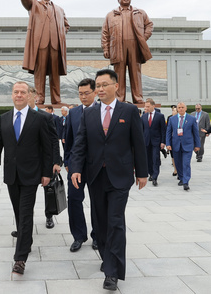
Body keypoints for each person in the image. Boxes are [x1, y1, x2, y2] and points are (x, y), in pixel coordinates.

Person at [70, 69, 148, 291]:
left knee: (115, 222)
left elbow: (138, 144)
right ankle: (107, 256)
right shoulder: (88, 113)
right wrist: (76, 168)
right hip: (95, 176)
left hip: (120, 177)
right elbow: (80, 144)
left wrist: (142, 172)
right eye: (98, 85)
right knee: (100, 222)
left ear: (116, 86)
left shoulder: (129, 111)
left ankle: (112, 272)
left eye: (104, 84)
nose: (100, 89)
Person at [0, 81, 52, 275]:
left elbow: (47, 149)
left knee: (25, 214)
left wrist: (46, 173)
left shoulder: (39, 119)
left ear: (29, 95)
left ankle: (20, 258)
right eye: (16, 92)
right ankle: (27, 239)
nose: (20, 95)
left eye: (23, 92)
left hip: (32, 175)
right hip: (12, 176)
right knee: (19, 213)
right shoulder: (4, 119)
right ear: (12, 95)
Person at [16, 0, 70, 105]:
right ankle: (39, 98)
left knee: (55, 74)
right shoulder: (34, 4)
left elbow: (66, 25)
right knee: (39, 73)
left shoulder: (59, 9)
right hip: (40, 44)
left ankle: (56, 99)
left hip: (55, 45)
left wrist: (61, 34)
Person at [101, 0, 153, 104]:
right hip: (117, 47)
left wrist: (143, 38)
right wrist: (106, 48)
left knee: (136, 73)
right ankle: (119, 98)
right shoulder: (110, 15)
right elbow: (105, 33)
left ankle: (138, 98)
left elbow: (149, 25)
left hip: (135, 47)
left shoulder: (140, 13)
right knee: (118, 74)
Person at [64, 78, 98, 252]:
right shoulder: (74, 113)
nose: (83, 97)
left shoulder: (102, 111)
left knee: (97, 202)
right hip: (76, 166)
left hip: (97, 166)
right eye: (80, 94)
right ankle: (78, 236)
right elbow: (68, 139)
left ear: (94, 93)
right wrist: (67, 161)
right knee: (74, 200)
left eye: (86, 93)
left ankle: (97, 236)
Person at [28, 87, 62, 230]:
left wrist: (56, 161)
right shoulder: (16, 116)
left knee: (48, 190)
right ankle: (25, 224)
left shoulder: (45, 116)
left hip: (45, 161)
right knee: (26, 197)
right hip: (27, 163)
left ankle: (49, 215)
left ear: (35, 97)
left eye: (27, 94)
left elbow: (54, 140)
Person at [166, 102, 200, 191]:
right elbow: (169, 132)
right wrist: (168, 144)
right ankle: (181, 177)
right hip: (176, 144)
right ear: (177, 109)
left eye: (182, 107)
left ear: (186, 108)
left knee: (186, 163)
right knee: (178, 163)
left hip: (188, 144)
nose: (181, 109)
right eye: (179, 107)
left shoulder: (191, 119)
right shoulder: (172, 119)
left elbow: (196, 133)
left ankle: (186, 181)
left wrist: (197, 145)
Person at [141, 98, 166, 186]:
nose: (146, 108)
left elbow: (163, 130)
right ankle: (151, 173)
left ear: (153, 106)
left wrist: (163, 142)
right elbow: (141, 130)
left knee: (155, 158)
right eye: (145, 106)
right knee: (148, 159)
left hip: (156, 141)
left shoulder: (160, 116)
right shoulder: (143, 116)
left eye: (148, 106)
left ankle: (155, 177)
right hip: (146, 141)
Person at [166, 105, 178, 177]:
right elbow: (168, 130)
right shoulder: (170, 118)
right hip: (172, 139)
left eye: (174, 110)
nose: (173, 112)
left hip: (179, 139)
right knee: (173, 156)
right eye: (172, 110)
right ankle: (175, 169)